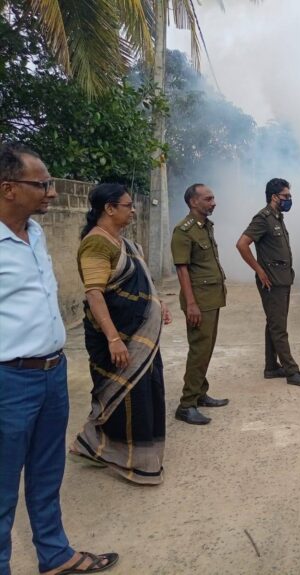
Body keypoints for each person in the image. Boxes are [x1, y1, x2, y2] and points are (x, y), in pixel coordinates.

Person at [0, 143, 118, 574]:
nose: (51, 191)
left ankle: (55, 555)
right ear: (9, 188)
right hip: (8, 381)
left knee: (47, 477)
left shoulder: (35, 233)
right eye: (42, 183)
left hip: (52, 373)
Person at [69, 183, 172, 485]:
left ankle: (96, 447)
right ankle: (128, 460)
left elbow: (144, 282)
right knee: (124, 398)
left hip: (139, 337)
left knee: (143, 393)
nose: (133, 210)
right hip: (115, 339)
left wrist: (158, 304)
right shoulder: (97, 244)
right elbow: (95, 294)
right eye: (128, 206)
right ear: (109, 208)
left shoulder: (124, 243)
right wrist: (114, 338)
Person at [235, 178, 300, 386]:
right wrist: (259, 270)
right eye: (286, 196)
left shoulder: (277, 217)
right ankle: (292, 371)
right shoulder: (263, 218)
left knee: (274, 322)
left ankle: (271, 367)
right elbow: (242, 244)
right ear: (274, 197)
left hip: (282, 279)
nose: (289, 200)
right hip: (271, 282)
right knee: (279, 327)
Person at [171, 184, 229, 425]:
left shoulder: (205, 227)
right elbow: (182, 269)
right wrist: (191, 304)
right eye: (208, 199)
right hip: (199, 301)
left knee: (206, 348)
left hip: (211, 297)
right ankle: (186, 405)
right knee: (199, 350)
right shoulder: (183, 231)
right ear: (193, 202)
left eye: (213, 198)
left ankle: (200, 392)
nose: (213, 202)